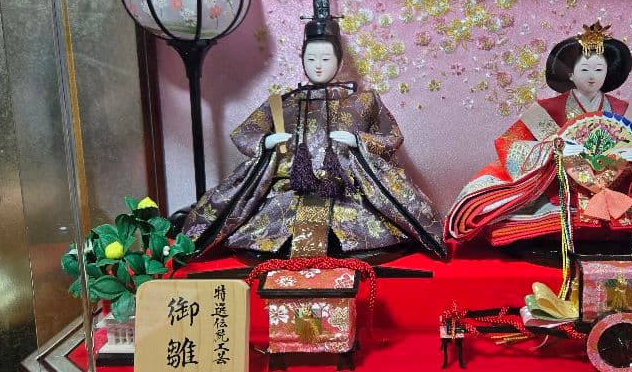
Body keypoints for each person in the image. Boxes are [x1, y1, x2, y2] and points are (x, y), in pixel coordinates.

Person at [445, 22, 632, 263]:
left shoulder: (625, 112)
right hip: (559, 192)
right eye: (584, 70)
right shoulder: (546, 111)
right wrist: (553, 151)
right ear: (570, 73)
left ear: (608, 73)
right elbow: (510, 145)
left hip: (619, 192)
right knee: (507, 218)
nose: (592, 77)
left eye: (599, 70)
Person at [182, 22, 446, 260]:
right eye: (311, 58)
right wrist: (267, 142)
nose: (318, 65)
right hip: (290, 191)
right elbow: (244, 133)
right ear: (302, 60)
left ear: (339, 61)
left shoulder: (364, 101)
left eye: (326, 58)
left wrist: (359, 141)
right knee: (270, 234)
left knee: (361, 234)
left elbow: (391, 136)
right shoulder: (282, 103)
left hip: (346, 191)